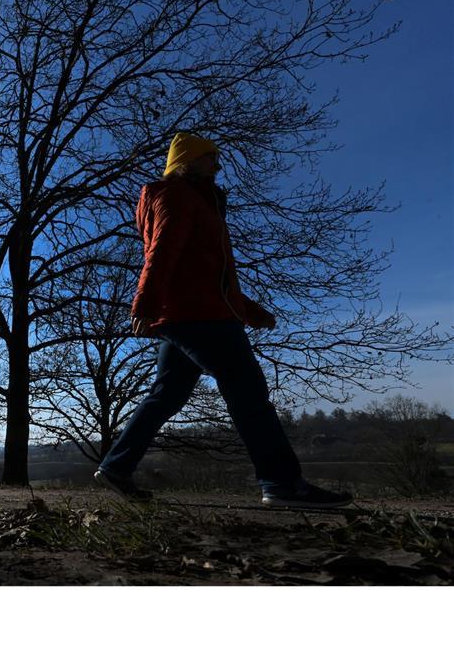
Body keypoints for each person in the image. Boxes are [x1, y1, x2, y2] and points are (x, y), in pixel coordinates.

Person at [93, 132, 353, 509]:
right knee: (248, 391)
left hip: (191, 312)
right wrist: (144, 304)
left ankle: (117, 466)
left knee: (166, 395)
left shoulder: (196, 201)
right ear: (189, 161)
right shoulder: (178, 196)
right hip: (197, 316)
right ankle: (281, 483)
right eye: (211, 156)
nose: (218, 164)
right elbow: (162, 251)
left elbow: (207, 274)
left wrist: (249, 311)